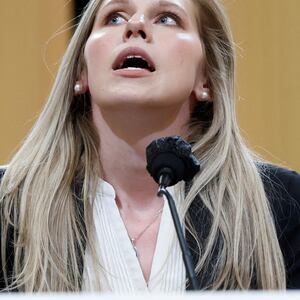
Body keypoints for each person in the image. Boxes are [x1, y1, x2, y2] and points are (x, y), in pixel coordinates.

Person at [0, 0, 300, 293]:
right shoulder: (8, 207)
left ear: (206, 77)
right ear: (81, 73)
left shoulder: (284, 205)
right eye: (114, 17)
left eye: (167, 18)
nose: (136, 25)